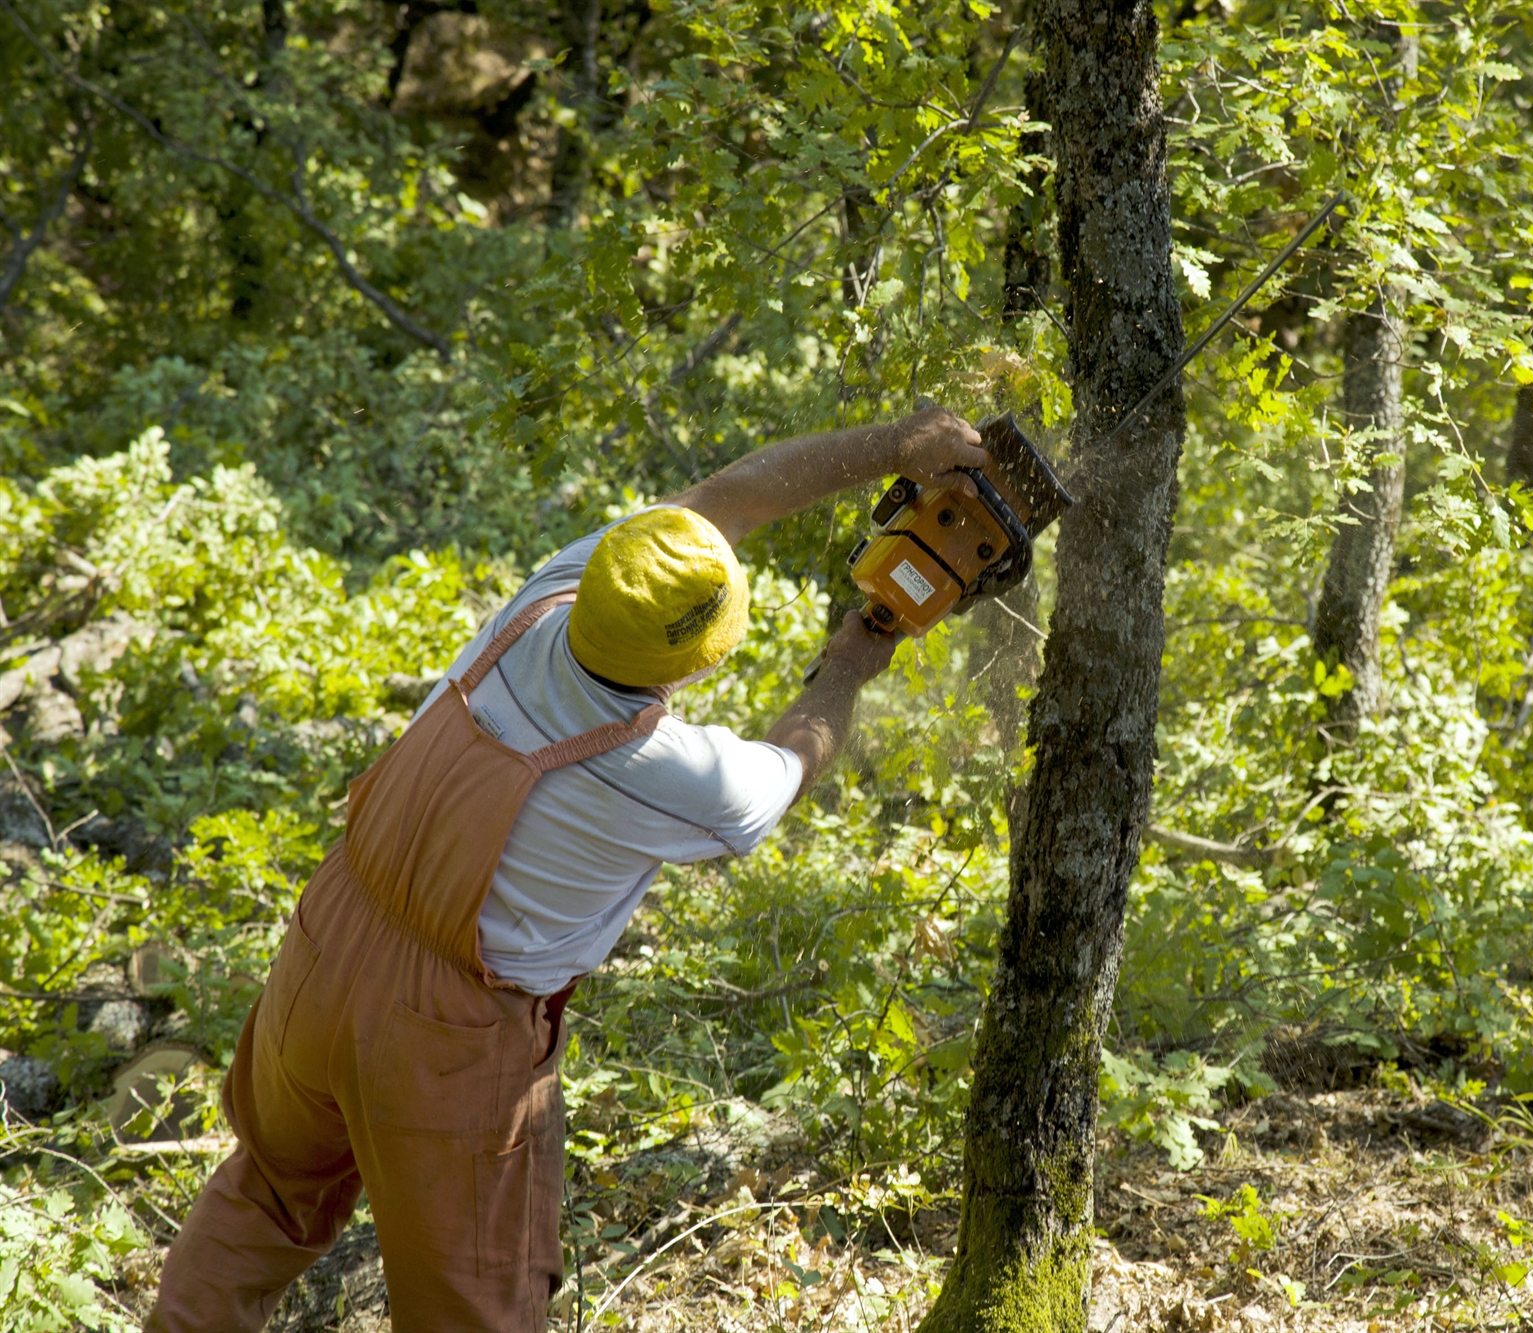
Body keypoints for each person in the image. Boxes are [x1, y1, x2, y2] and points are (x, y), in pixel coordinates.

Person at [146, 408, 989, 1333]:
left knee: (266, 1197)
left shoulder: (561, 592)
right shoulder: (665, 773)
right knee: (479, 1307)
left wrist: (897, 443)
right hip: (447, 1032)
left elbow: (724, 499)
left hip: (325, 941)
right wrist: (847, 663)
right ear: (699, 656)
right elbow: (792, 763)